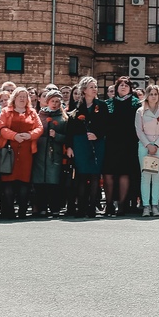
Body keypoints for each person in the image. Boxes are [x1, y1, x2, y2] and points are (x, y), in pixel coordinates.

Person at [0, 87, 40, 218]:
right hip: (9, 150)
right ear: (14, 98)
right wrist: (14, 136)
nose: (22, 98)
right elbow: (1, 127)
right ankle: (9, 211)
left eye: (24, 96)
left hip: (26, 152)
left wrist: (30, 135)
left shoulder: (32, 112)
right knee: (8, 181)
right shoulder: (6, 111)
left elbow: (39, 128)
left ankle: (22, 211)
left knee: (24, 181)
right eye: (19, 96)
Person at [70, 77, 108, 218]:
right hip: (80, 143)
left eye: (95, 86)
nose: (94, 89)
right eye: (91, 87)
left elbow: (106, 125)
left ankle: (92, 207)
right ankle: (81, 207)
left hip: (97, 143)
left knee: (94, 175)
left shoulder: (102, 105)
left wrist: (97, 135)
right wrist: (69, 146)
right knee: (81, 175)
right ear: (84, 90)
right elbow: (71, 128)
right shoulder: (77, 106)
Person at [103, 77, 140, 216]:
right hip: (111, 143)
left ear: (130, 88)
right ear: (116, 87)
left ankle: (122, 205)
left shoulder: (136, 104)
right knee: (108, 173)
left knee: (125, 173)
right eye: (121, 85)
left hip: (128, 143)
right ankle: (109, 204)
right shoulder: (108, 103)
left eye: (126, 85)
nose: (123, 87)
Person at [134, 85, 159, 216]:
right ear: (147, 96)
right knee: (145, 176)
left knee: (156, 176)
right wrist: (148, 145)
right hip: (144, 146)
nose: (153, 96)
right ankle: (146, 206)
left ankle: (155, 205)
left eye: (156, 94)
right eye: (151, 94)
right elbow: (139, 130)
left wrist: (156, 145)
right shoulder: (140, 111)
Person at [33, 89, 68, 216]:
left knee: (54, 181)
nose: (55, 104)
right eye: (52, 101)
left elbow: (68, 137)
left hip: (55, 154)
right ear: (47, 101)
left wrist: (57, 136)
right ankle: (41, 207)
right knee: (40, 181)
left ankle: (54, 207)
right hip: (40, 153)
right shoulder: (39, 116)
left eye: (57, 101)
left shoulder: (63, 118)